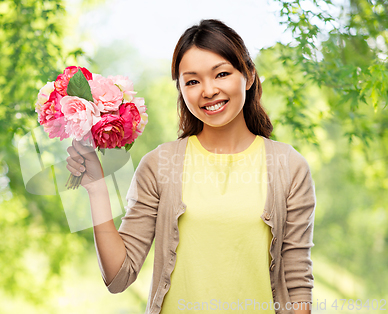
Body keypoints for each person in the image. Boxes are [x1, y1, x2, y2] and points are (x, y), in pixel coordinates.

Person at [65, 19, 315, 314]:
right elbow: (118, 277)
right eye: (192, 81)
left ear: (248, 76)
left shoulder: (289, 166)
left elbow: (297, 283)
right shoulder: (160, 165)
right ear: (181, 90)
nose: (208, 90)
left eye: (221, 73)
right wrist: (96, 189)